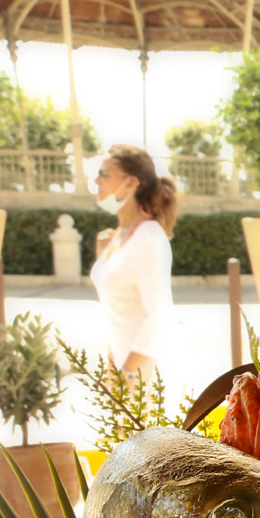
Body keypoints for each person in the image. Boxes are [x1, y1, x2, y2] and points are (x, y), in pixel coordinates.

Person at [90, 144, 177, 383]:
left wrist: (126, 373)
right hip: (119, 369)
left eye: (104, 174)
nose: (96, 181)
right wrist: (111, 364)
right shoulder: (116, 237)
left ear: (130, 183)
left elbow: (159, 315)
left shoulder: (149, 238)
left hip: (143, 377)